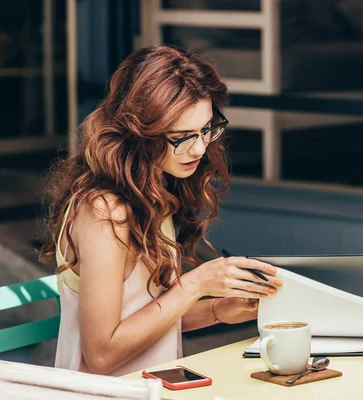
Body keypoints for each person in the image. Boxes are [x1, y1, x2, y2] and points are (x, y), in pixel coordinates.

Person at [39, 45, 282, 376]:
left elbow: (147, 316)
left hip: (157, 388)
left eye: (206, 129)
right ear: (139, 133)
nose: (199, 148)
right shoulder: (104, 212)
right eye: (182, 137)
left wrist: (218, 310)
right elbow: (102, 354)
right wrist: (196, 284)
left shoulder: (153, 194)